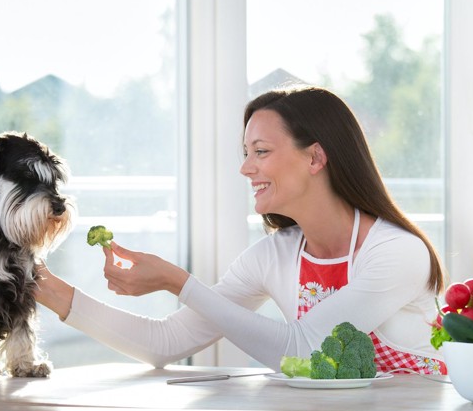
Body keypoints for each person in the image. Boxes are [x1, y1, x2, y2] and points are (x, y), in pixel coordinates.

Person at [36, 85, 447, 374]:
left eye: (261, 152)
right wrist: (43, 285)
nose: (245, 168)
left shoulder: (397, 252)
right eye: (246, 153)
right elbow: (163, 344)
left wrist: (180, 284)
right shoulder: (275, 255)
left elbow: (303, 349)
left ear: (316, 157)